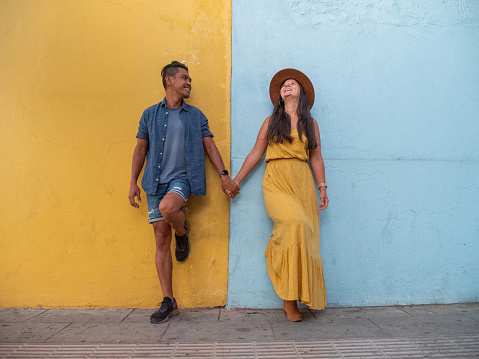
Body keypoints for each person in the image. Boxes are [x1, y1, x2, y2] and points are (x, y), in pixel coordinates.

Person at [128, 61, 239, 324]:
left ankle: (183, 231)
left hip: (182, 179)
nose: (189, 83)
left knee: (169, 209)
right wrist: (133, 181)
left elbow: (210, 147)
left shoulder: (196, 116)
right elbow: (140, 149)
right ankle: (169, 300)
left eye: (190, 79)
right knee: (159, 238)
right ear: (169, 80)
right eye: (184, 78)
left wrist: (224, 175)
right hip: (154, 182)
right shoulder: (149, 115)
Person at [232, 68, 329, 322]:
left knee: (302, 235)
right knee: (292, 223)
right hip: (276, 180)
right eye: (284, 84)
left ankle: (292, 300)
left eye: (293, 84)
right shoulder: (270, 121)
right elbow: (256, 152)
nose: (287, 86)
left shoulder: (311, 124)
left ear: (301, 94)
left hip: (302, 182)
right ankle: (288, 297)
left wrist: (322, 187)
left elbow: (316, 158)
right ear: (279, 95)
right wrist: (237, 180)